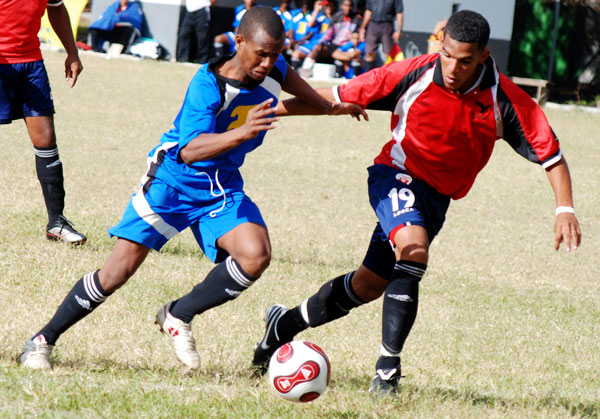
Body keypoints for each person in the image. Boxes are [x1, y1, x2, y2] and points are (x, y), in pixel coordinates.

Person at [251, 10, 582, 396]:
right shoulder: (411, 73)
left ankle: (284, 325)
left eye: (466, 60)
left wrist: (565, 209)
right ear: (440, 45)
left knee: (368, 284)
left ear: (484, 55)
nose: (453, 68)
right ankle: (387, 373)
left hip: (437, 200)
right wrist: (268, 111)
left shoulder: (503, 98)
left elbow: (552, 156)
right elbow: (333, 100)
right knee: (414, 251)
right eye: (447, 55)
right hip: (395, 175)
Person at [18, 6, 366, 371]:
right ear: (239, 41)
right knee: (115, 274)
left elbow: (295, 102)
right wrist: (242, 132)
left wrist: (332, 107)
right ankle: (42, 340)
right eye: (261, 53)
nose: (268, 62)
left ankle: (178, 314)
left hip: (220, 187)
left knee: (255, 255)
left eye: (276, 54)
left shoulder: (274, 68)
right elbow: (189, 150)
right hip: (172, 183)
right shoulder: (207, 83)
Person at [0, 0, 87, 245]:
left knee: (46, 140)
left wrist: (72, 51)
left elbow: (56, 7)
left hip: (31, 63)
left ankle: (57, 223)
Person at [299, 0, 362, 77]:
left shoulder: (357, 19)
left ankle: (351, 76)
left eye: (350, 6)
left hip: (347, 47)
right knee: (317, 48)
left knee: (352, 56)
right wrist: (322, 43)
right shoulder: (336, 17)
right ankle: (306, 71)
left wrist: (343, 49)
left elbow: (356, 39)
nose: (348, 8)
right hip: (334, 45)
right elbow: (328, 35)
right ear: (341, 6)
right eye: (346, 5)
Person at [358, 0, 403, 71]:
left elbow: (399, 13)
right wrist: (363, 28)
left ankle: (388, 78)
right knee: (369, 52)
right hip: (373, 24)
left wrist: (399, 30)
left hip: (387, 25)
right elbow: (368, 11)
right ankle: (369, 77)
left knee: (388, 54)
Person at [290, 0, 335, 71]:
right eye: (327, 6)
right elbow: (310, 24)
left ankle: (305, 71)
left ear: (334, 7)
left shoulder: (335, 19)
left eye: (330, 6)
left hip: (325, 45)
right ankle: (294, 72)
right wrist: (316, 9)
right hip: (313, 43)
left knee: (316, 49)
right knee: (296, 54)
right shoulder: (320, 17)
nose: (328, 8)